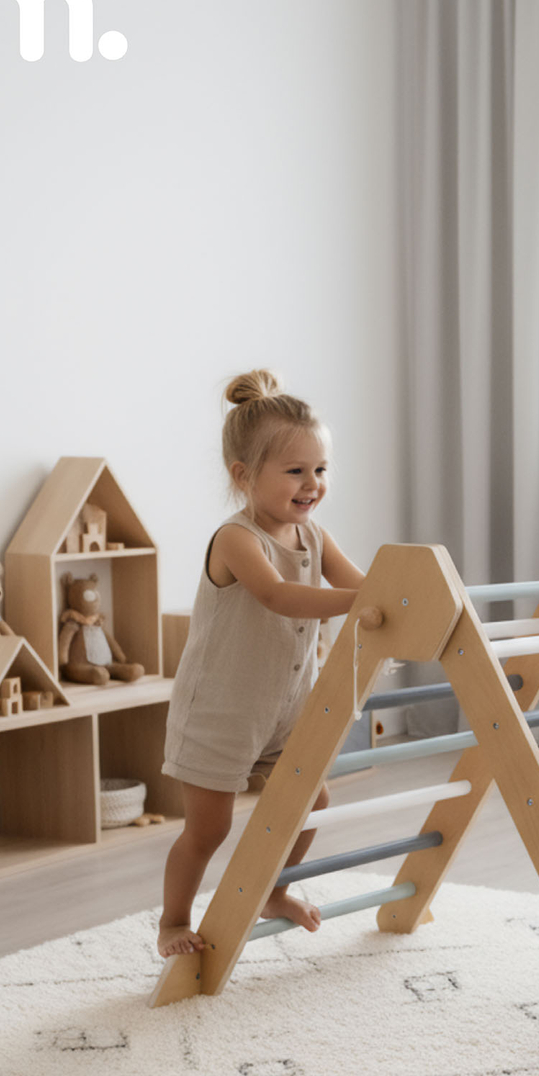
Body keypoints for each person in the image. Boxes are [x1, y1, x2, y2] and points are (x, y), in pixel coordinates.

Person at [157, 370, 367, 957]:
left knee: (311, 799)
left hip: (283, 708)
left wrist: (404, 593)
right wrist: (369, 602)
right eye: (296, 470)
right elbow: (278, 596)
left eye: (320, 469)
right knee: (209, 830)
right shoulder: (236, 539)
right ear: (243, 476)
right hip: (220, 711)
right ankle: (173, 920)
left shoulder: (315, 537)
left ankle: (274, 889)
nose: (312, 483)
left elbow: (365, 584)